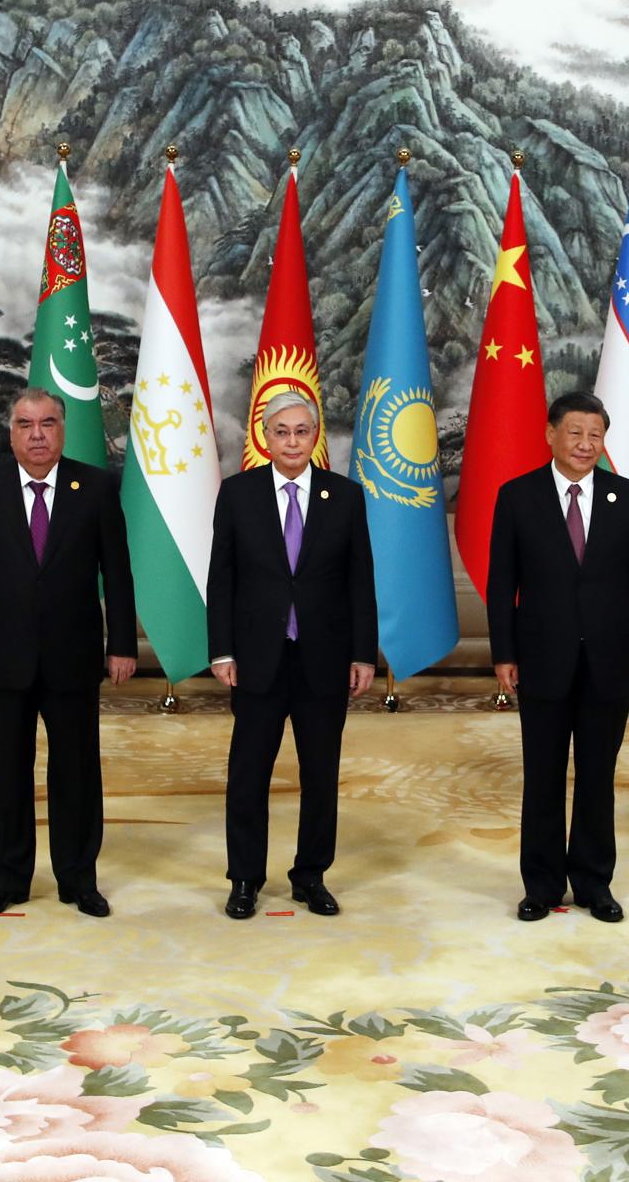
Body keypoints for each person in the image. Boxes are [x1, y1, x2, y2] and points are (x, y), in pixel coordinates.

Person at [0, 388, 136, 919]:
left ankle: (78, 878)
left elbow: (117, 574)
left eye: (48, 423)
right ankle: (5, 880)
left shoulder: (95, 487)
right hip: (3, 656)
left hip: (74, 656)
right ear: (10, 433)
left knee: (76, 771)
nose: (37, 434)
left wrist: (121, 643)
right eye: (26, 424)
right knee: (5, 772)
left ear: (63, 430)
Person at [488, 392, 629, 923]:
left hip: (610, 662)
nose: (586, 444)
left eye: (595, 435)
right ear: (551, 435)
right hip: (540, 659)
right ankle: (540, 885)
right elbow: (501, 585)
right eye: (575, 433)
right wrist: (504, 653)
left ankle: (593, 883)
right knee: (542, 776)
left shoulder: (628, 499)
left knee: (596, 776)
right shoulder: (518, 497)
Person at [206, 389, 376, 919]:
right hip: (256, 658)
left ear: (315, 436)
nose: (293, 441)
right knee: (248, 773)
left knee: (320, 774)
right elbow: (222, 579)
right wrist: (221, 650)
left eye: (303, 431)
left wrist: (364, 654)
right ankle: (245, 879)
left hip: (324, 661)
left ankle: (310, 875)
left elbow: (360, 582)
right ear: (266, 436)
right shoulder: (237, 494)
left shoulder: (344, 497)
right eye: (282, 431)